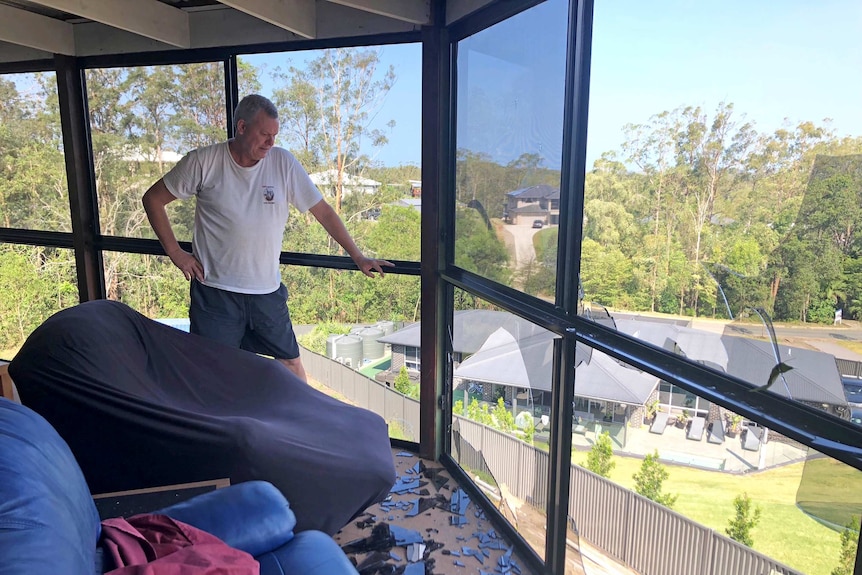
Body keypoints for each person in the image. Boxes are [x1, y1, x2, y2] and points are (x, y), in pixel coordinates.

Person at [142, 94, 393, 383]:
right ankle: (221, 427)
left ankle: (301, 424)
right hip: (215, 292)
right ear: (241, 127)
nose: (270, 143)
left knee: (291, 364)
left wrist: (358, 256)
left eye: (274, 135)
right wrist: (175, 252)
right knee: (211, 370)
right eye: (264, 134)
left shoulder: (282, 162)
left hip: (266, 292)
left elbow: (323, 212)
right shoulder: (204, 161)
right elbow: (153, 199)